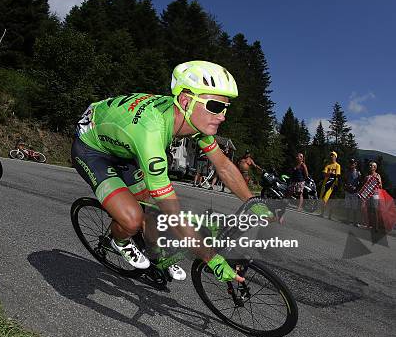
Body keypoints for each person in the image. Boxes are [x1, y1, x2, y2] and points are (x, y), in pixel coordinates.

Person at [71, 60, 275, 283]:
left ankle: (157, 256)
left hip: (124, 146)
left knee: (150, 208)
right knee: (132, 219)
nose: (223, 116)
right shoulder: (150, 132)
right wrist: (211, 258)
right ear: (186, 101)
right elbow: (173, 213)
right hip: (92, 150)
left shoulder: (191, 119)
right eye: (215, 107)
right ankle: (118, 241)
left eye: (226, 108)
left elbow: (223, 165)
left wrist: (253, 201)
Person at [359, 162, 382, 231]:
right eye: (369, 165)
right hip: (368, 195)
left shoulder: (378, 175)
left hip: (375, 195)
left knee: (375, 211)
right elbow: (364, 186)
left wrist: (378, 182)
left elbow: (380, 186)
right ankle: (369, 225)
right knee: (368, 210)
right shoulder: (367, 176)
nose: (369, 167)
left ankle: (376, 227)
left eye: (371, 166)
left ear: (375, 167)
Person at [319, 151, 341, 219]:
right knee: (323, 198)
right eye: (330, 155)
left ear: (335, 157)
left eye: (333, 155)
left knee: (331, 200)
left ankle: (330, 215)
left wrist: (330, 174)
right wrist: (331, 174)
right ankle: (322, 213)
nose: (331, 156)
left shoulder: (337, 165)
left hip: (333, 185)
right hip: (326, 184)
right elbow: (324, 174)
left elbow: (337, 175)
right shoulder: (328, 165)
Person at [343, 159, 361, 225]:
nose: (351, 164)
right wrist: (345, 185)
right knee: (348, 207)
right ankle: (347, 220)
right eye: (350, 163)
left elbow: (360, 182)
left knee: (355, 208)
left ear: (355, 164)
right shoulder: (347, 172)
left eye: (353, 163)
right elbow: (344, 180)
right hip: (348, 191)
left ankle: (355, 221)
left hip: (355, 192)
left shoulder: (358, 173)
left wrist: (356, 187)